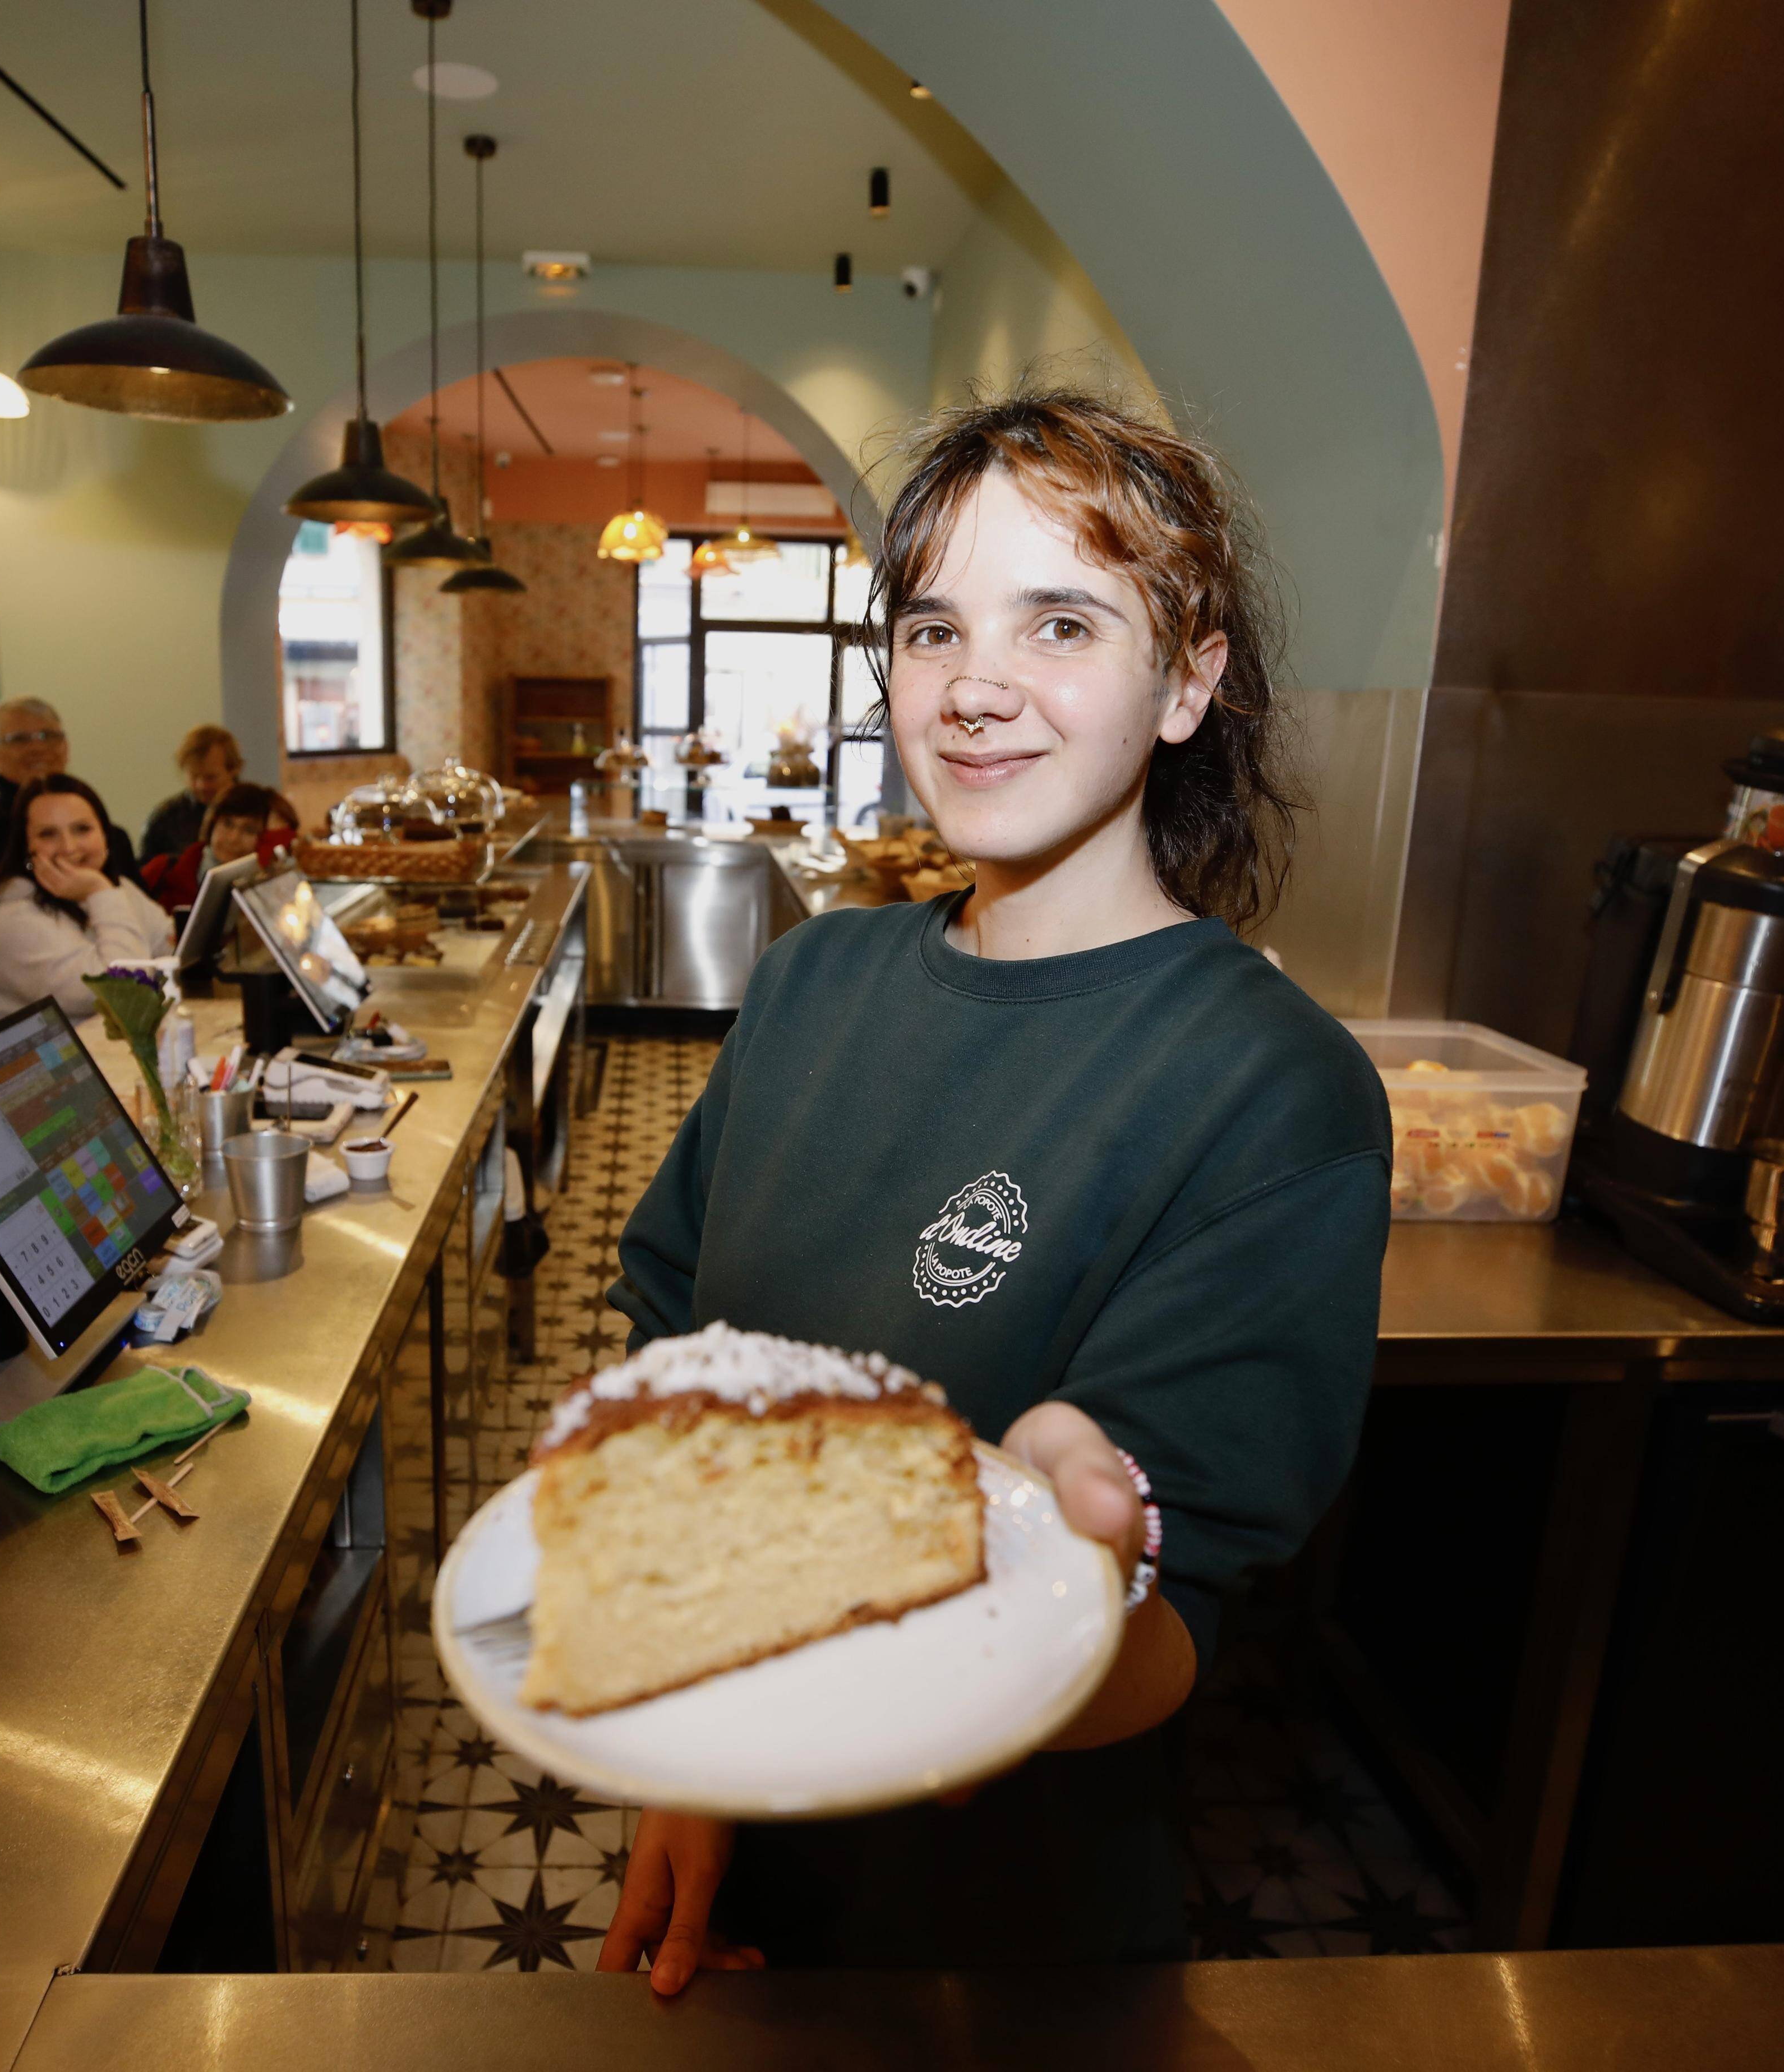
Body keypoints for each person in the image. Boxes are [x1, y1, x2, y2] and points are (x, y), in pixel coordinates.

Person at [594, 389, 1392, 1988]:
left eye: (1063, 623)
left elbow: (1171, 1619)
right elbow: (667, 1335)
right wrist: (688, 1748)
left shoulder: (1270, 1088)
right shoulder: (818, 977)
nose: (975, 687)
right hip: (735, 1830)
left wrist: (1050, 1608)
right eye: (934, 625)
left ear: (1190, 677)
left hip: (995, 1925)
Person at [0, 698, 136, 955]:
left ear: (66, 747)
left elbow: (152, 933)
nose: (38, 748)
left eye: (48, 735)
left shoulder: (110, 837)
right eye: (19, 739)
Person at [0, 774, 175, 1020]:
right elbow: (124, 991)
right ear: (26, 847)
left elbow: (173, 951)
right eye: (48, 834)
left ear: (106, 837)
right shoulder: (10, 922)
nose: (69, 847)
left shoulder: (115, 890)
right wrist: (100, 892)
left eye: (82, 829)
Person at [137, 781, 296, 913]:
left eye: (249, 830)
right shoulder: (163, 871)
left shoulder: (266, 892)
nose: (233, 838)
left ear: (263, 838)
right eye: (227, 824)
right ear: (212, 823)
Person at [140, 723, 243, 864]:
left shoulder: (260, 811)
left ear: (234, 769)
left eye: (210, 777)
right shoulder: (165, 818)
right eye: (194, 777)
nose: (201, 786)